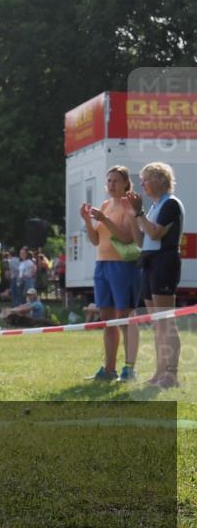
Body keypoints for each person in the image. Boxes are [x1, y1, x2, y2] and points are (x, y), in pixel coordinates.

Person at [80, 165, 140, 382]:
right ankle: (109, 369)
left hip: (122, 266)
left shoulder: (128, 204)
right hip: (102, 264)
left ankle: (130, 368)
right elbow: (96, 240)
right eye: (109, 181)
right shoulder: (105, 204)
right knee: (107, 320)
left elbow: (126, 237)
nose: (111, 185)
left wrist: (104, 220)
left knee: (125, 318)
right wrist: (88, 220)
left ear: (125, 183)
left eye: (115, 180)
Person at [128, 162, 184, 388]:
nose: (142, 184)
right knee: (155, 323)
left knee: (165, 321)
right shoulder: (152, 206)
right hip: (149, 261)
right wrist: (133, 215)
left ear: (161, 180)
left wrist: (139, 213)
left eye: (146, 179)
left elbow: (156, 232)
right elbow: (142, 241)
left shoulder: (170, 203)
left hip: (164, 262)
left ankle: (171, 373)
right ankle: (160, 371)